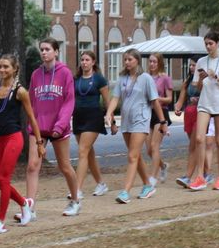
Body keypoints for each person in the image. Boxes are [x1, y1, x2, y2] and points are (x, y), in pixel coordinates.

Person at [0, 55, 45, 235]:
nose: (2, 70)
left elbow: (32, 117)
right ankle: (24, 203)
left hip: (14, 138)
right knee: (1, 183)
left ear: (15, 69)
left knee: (4, 178)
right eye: (0, 66)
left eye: (6, 67)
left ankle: (0, 221)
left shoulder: (20, 91)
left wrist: (39, 142)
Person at [25, 39, 82, 214]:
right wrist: (32, 123)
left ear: (56, 52)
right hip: (38, 127)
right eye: (42, 49)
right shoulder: (36, 75)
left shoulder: (65, 73)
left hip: (58, 127)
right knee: (32, 166)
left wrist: (60, 125)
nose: (44, 52)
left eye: (48, 49)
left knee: (64, 166)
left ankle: (75, 200)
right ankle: (29, 208)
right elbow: (32, 102)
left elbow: (69, 101)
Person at [105, 51, 166, 203]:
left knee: (132, 156)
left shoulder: (145, 78)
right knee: (135, 155)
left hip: (141, 120)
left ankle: (125, 192)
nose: (126, 62)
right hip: (127, 122)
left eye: (129, 59)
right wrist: (109, 113)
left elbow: (155, 101)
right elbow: (115, 98)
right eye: (125, 59)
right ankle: (147, 184)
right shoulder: (122, 79)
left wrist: (163, 122)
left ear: (137, 61)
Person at [184, 31, 219, 192]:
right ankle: (200, 177)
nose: (208, 46)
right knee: (199, 139)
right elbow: (198, 87)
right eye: (206, 43)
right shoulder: (201, 61)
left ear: (217, 43)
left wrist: (217, 77)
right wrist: (201, 79)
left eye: (211, 43)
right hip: (205, 103)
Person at [71, 50, 111, 211]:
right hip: (78, 118)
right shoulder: (76, 79)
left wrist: (112, 120)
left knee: (82, 151)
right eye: (82, 60)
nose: (84, 62)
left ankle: (77, 190)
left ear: (93, 62)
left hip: (93, 117)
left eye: (87, 60)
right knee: (88, 153)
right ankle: (101, 184)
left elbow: (108, 101)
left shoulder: (99, 79)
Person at [145, 52, 175, 183]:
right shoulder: (145, 78)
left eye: (154, 62)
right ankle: (163, 166)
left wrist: (157, 99)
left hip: (161, 113)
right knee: (149, 150)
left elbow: (169, 99)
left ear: (160, 63)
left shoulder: (165, 78)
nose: (152, 64)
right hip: (147, 113)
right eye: (150, 61)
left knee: (154, 146)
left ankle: (153, 177)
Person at [173, 67, 201, 187]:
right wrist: (177, 108)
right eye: (190, 65)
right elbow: (181, 99)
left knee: (193, 146)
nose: (191, 67)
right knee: (194, 145)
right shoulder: (188, 81)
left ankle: (188, 176)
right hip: (189, 112)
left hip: (200, 113)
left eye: (194, 65)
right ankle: (205, 170)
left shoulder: (203, 80)